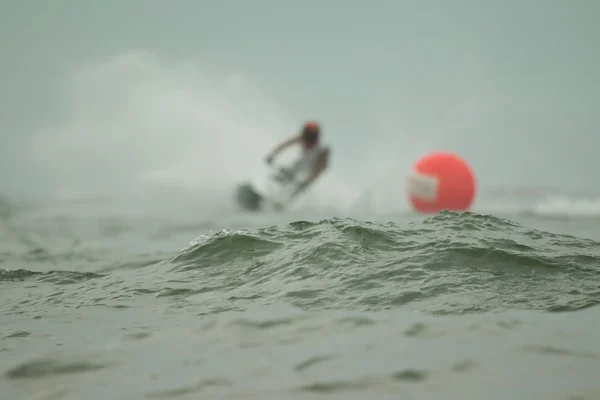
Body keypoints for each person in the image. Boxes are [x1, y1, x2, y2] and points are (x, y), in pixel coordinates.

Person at [264, 121, 330, 199]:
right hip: (298, 166)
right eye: (307, 135)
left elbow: (320, 170)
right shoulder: (302, 138)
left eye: (310, 136)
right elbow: (285, 144)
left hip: (308, 173)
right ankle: (267, 195)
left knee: (294, 188)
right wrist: (272, 155)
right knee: (281, 176)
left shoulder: (321, 151)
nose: (307, 139)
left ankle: (283, 201)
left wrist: (307, 182)